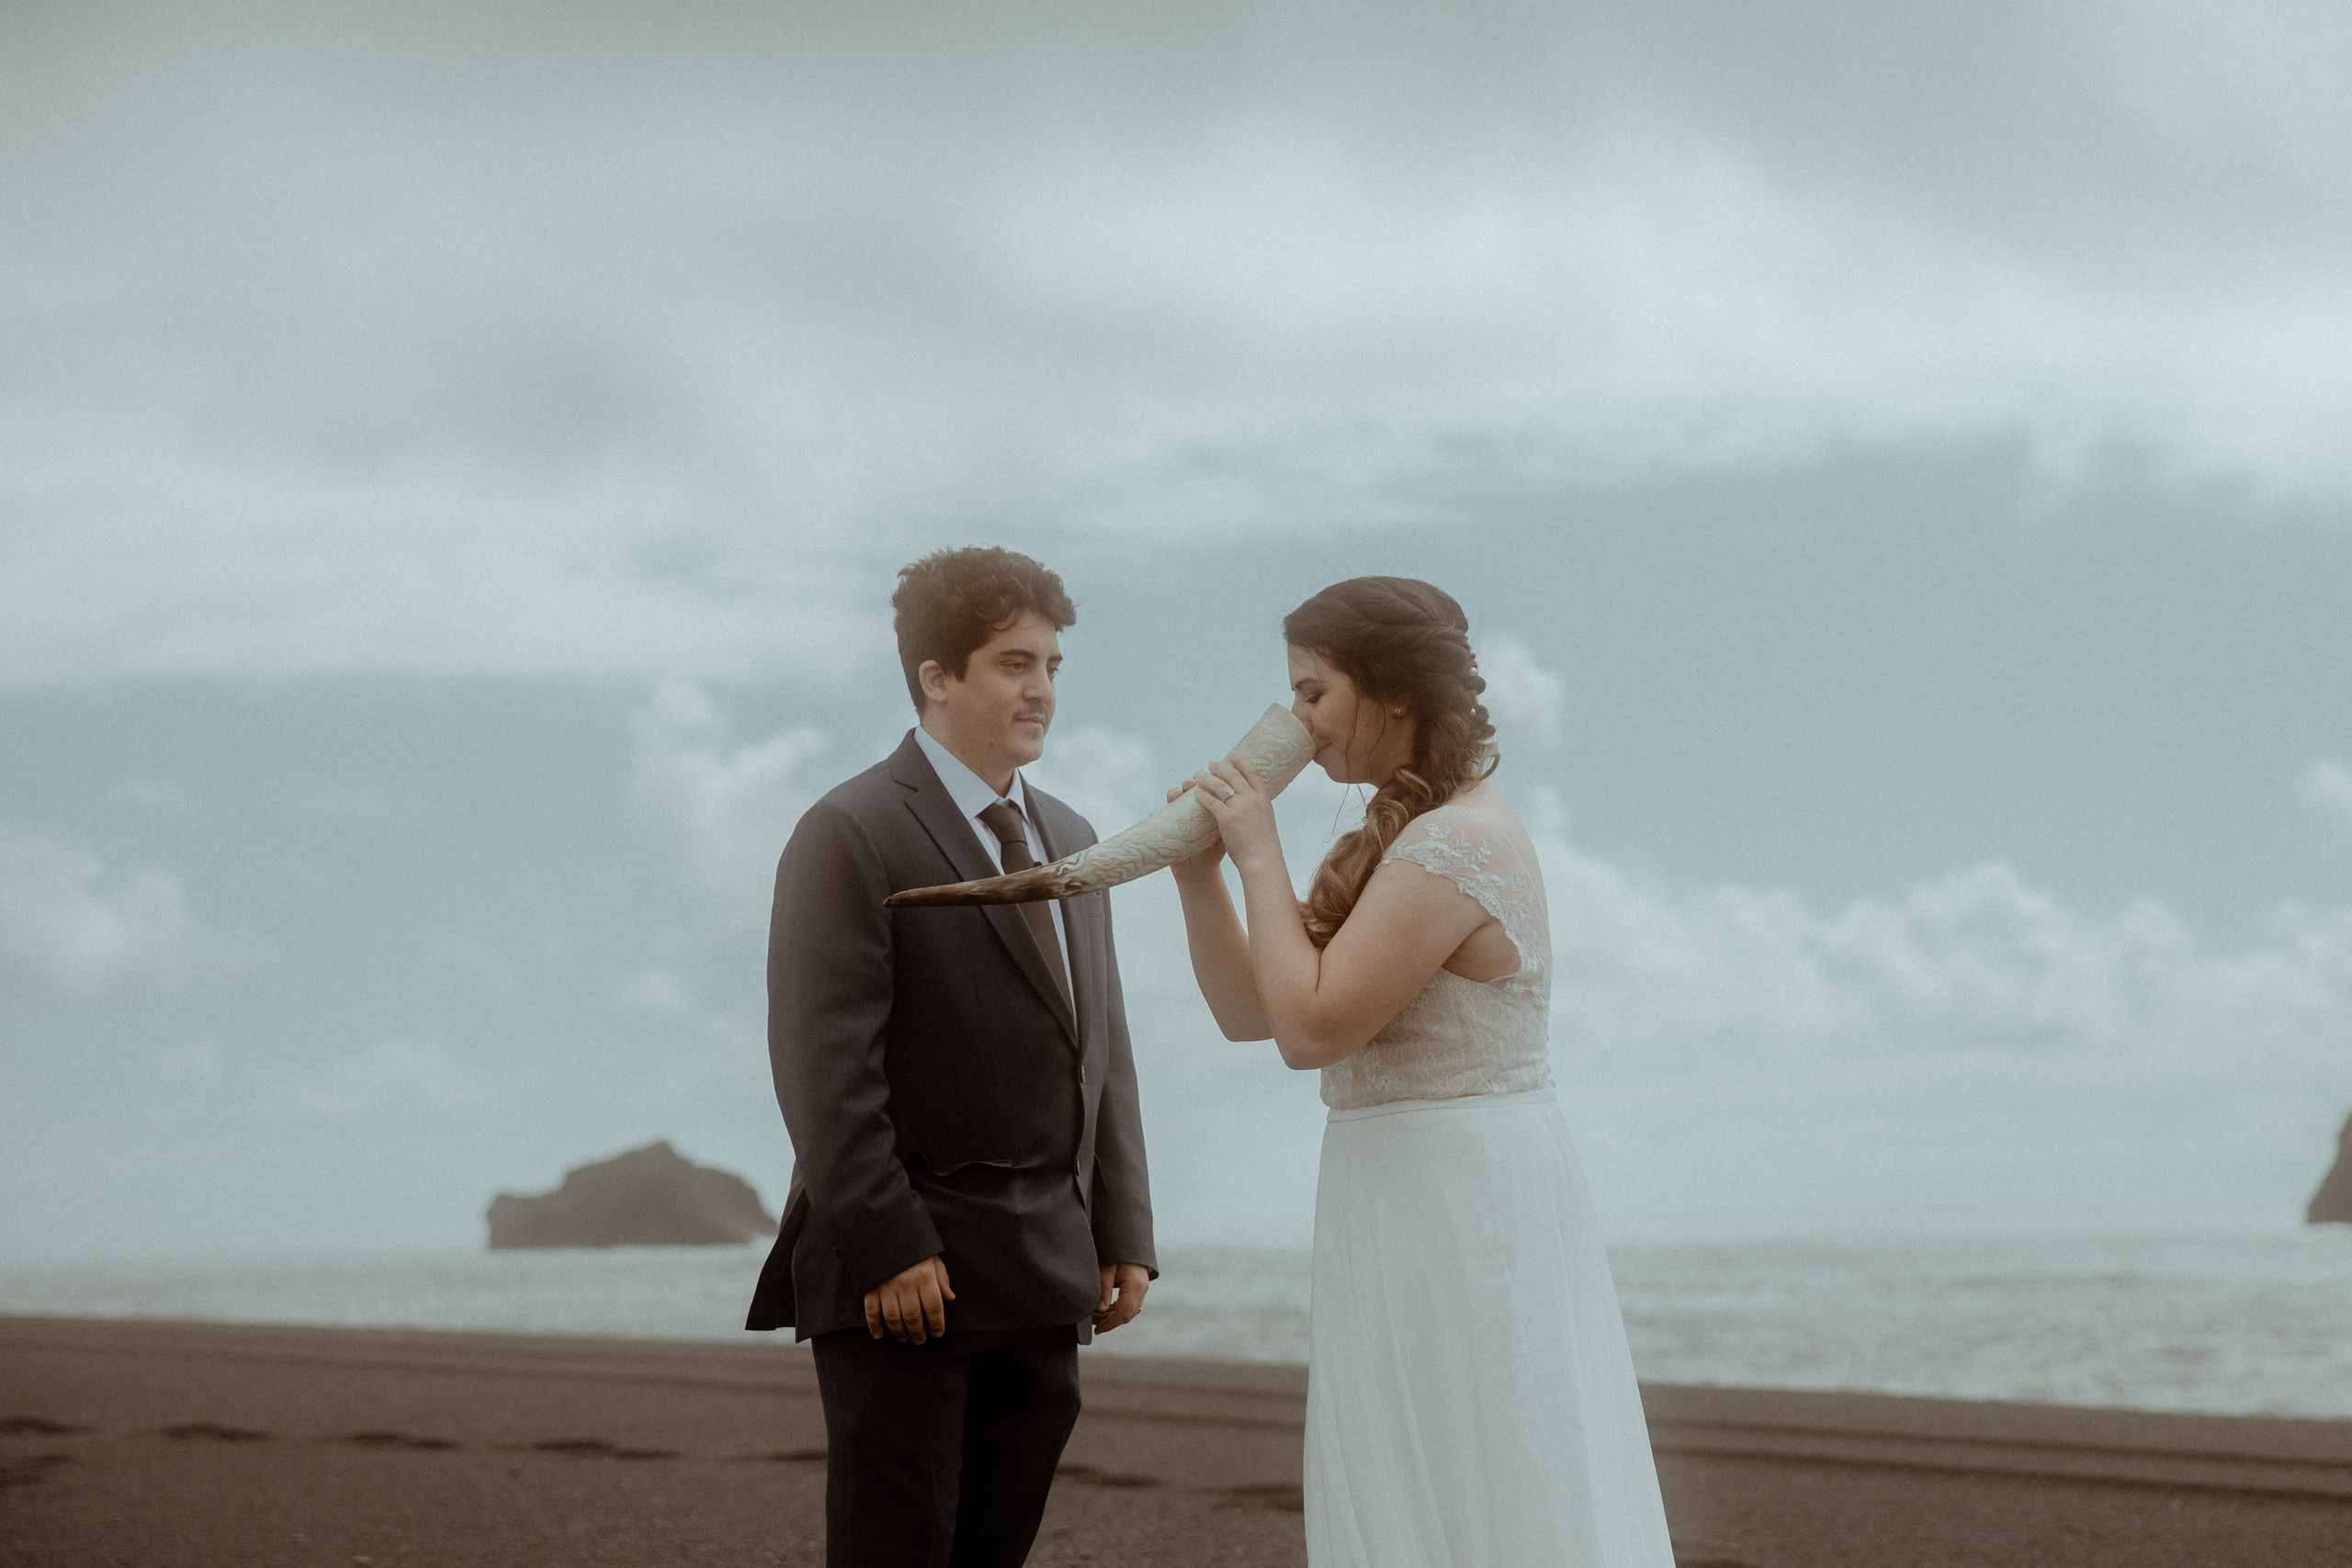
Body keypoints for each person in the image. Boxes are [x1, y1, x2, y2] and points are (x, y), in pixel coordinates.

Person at [1169, 576, 1675, 1567]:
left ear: (1391, 693)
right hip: (1387, 1186)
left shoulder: (1453, 843)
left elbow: (1311, 1030)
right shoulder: (1405, 834)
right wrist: (1202, 874)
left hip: (1460, 1195)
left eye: (1313, 693)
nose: (1295, 720)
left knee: (1485, 1463)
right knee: (1404, 1462)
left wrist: (1260, 853)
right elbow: (1251, 1014)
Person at [746, 546, 1157, 1568]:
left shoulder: (1072, 837)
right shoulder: (851, 829)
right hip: (907, 1277)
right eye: (1016, 664)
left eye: (1053, 666)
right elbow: (822, 1063)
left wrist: (1123, 1225)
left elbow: (1099, 1043)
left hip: (1043, 1269)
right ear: (936, 676)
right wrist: (888, 1245)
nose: (1043, 691)